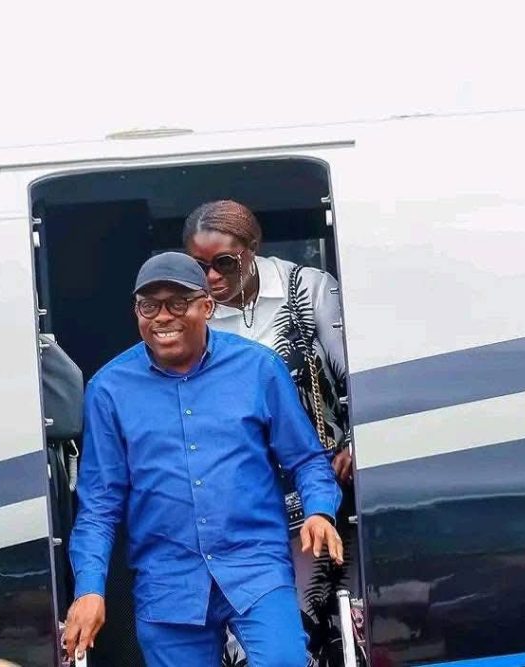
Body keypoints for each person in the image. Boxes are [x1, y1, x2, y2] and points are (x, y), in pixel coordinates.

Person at [62, 252, 343, 666]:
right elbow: (98, 506)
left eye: (178, 303)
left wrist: (320, 510)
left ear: (207, 307)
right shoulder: (108, 389)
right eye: (149, 305)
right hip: (167, 580)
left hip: (255, 565)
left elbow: (306, 460)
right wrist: (89, 589)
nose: (162, 317)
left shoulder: (258, 368)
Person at [184, 200, 359, 666]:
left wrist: (358, 443)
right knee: (252, 644)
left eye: (224, 263)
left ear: (253, 250)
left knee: (317, 624)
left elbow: (356, 379)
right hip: (241, 507)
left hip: (318, 489)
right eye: (199, 266)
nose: (212, 278)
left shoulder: (307, 289)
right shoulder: (193, 316)